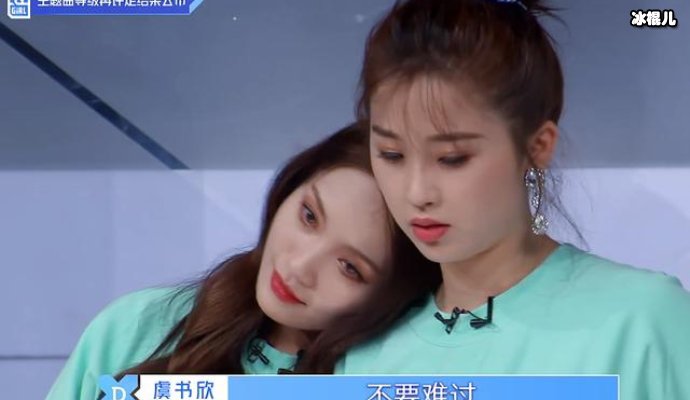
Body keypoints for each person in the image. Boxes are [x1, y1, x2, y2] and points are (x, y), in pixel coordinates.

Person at [337, 1, 690, 398]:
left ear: (538, 147)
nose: (417, 193)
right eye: (391, 155)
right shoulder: (364, 356)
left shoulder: (644, 322)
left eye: (452, 158)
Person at [46, 123, 440, 399]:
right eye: (309, 216)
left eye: (349, 268)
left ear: (395, 296)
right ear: (290, 188)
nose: (299, 267)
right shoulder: (139, 325)